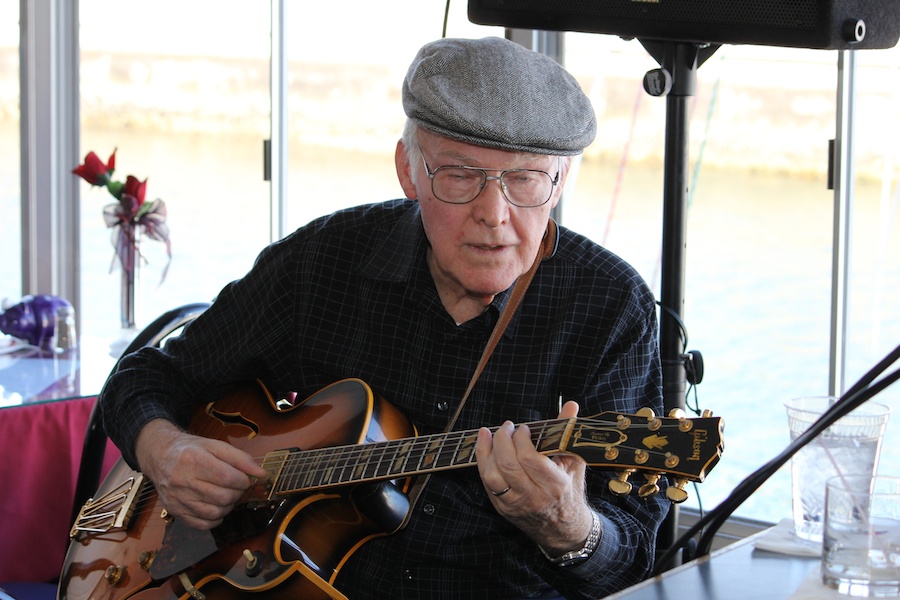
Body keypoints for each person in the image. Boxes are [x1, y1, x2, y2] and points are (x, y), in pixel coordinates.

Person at [99, 36, 668, 599]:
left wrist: (569, 528)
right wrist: (165, 452)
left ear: (561, 181)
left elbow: (635, 559)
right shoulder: (324, 259)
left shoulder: (610, 308)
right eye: (460, 175)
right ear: (408, 170)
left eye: (524, 179)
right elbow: (144, 376)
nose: (494, 216)